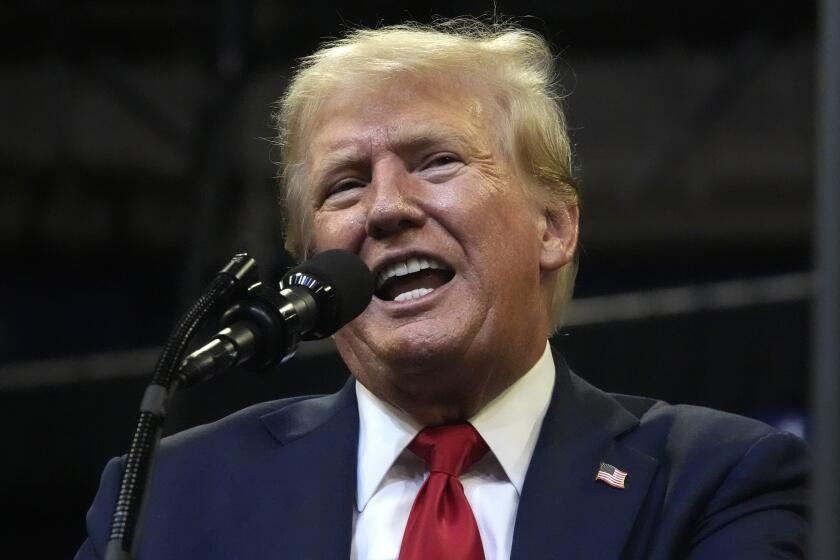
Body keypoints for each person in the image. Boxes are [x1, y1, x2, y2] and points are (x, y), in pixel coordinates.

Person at [77, 20, 807, 559]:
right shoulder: (166, 499)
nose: (386, 207)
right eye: (346, 184)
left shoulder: (716, 483)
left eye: (435, 161)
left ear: (554, 226)